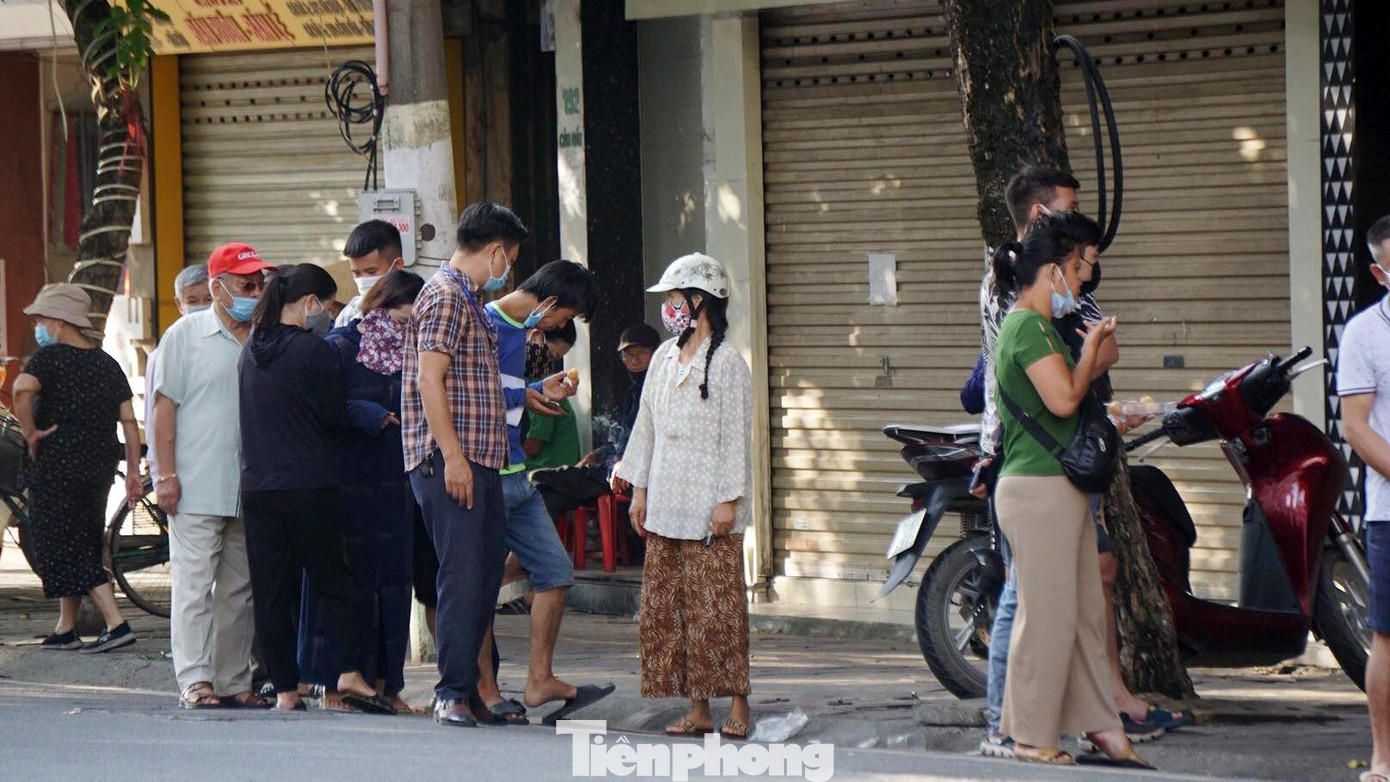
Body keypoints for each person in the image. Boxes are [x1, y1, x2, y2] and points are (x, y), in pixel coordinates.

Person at [979, 168, 1184, 759]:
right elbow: (1065, 399)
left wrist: (1112, 410)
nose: (1082, 283)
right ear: (1052, 272)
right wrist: (1092, 347)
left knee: (1085, 614)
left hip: (1057, 488)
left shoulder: (1041, 326)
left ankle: (1102, 725)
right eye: (1077, 271)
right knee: (1043, 619)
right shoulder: (1027, 328)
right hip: (1036, 491)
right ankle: (1027, 735)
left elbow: (1066, 408)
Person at [237, 263, 395, 715]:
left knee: (271, 593)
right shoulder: (313, 350)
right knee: (335, 582)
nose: (329, 313)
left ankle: (286, 691)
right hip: (309, 484)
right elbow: (332, 415)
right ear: (308, 303)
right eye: (326, 305)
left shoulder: (250, 349)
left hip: (258, 487)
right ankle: (347, 672)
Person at [403, 202, 533, 727]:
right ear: (496, 250)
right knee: (461, 578)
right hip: (451, 461)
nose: (508, 270)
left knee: (481, 579)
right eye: (510, 259)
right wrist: (453, 458)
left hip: (482, 459)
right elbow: (428, 379)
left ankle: (474, 690)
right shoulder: (445, 296)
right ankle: (451, 691)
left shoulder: (469, 298)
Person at [616, 253, 755, 740]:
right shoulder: (661, 358)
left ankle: (738, 704)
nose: (669, 307)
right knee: (673, 612)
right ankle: (698, 710)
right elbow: (646, 428)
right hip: (666, 504)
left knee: (717, 610)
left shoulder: (729, 363)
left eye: (675, 298)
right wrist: (639, 491)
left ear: (700, 301)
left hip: (709, 508)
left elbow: (736, 436)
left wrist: (728, 499)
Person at [474, 259, 602, 726]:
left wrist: (534, 389)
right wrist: (521, 394)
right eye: (564, 317)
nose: (559, 327)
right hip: (485, 475)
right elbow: (467, 395)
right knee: (478, 586)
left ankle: (539, 680)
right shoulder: (484, 326)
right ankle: (485, 691)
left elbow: (502, 392)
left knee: (554, 571)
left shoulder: (519, 333)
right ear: (548, 303)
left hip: (518, 477)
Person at [296, 270, 425, 714]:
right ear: (383, 307)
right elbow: (315, 408)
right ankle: (337, 684)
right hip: (347, 483)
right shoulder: (340, 347)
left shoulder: (418, 350)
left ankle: (389, 686)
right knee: (349, 585)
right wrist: (360, 412)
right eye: (406, 318)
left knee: (394, 586)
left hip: (398, 483)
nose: (410, 327)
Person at [152, 244, 273, 709]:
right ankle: (196, 680)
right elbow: (164, 408)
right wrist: (165, 475)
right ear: (217, 286)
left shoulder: (264, 335)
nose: (254, 292)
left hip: (250, 485)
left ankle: (233, 681)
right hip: (196, 483)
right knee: (194, 587)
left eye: (259, 284)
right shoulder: (184, 335)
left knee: (239, 592)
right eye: (246, 284)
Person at [12, 284, 143, 654]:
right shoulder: (107, 363)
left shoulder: (48, 359)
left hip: (57, 464)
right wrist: (134, 471)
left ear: (60, 321)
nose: (38, 327)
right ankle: (66, 627)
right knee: (82, 537)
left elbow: (21, 390)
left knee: (62, 543)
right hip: (100, 465)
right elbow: (129, 423)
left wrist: (30, 432)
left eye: (41, 319)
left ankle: (116, 623)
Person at [1341, 215, 1390, 782]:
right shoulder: (1364, 334)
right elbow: (1356, 427)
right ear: (1380, 274)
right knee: (1388, 635)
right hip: (1388, 510)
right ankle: (1383, 758)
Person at [531, 323, 661, 518]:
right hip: (611, 471)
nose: (633, 359)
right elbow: (617, 440)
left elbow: (651, 440)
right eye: (628, 354)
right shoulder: (632, 393)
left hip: (632, 478)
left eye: (641, 352)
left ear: (656, 354)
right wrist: (598, 453)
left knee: (540, 477)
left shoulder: (657, 392)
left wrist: (626, 462)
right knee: (546, 494)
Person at [146, 264, 210, 483]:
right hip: (184, 471)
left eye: (208, 299)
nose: (201, 306)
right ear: (179, 304)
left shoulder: (231, 346)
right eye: (193, 301)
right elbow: (154, 419)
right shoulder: (162, 354)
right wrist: (163, 475)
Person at [522, 322, 583, 471]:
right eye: (550, 355)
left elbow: (533, 447)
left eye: (554, 358)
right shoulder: (527, 380)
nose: (549, 364)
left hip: (549, 472)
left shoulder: (543, 385)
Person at [335, 220, 405, 328]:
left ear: (397, 265)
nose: (363, 280)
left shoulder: (418, 308)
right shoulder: (350, 312)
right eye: (356, 273)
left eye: (371, 272)